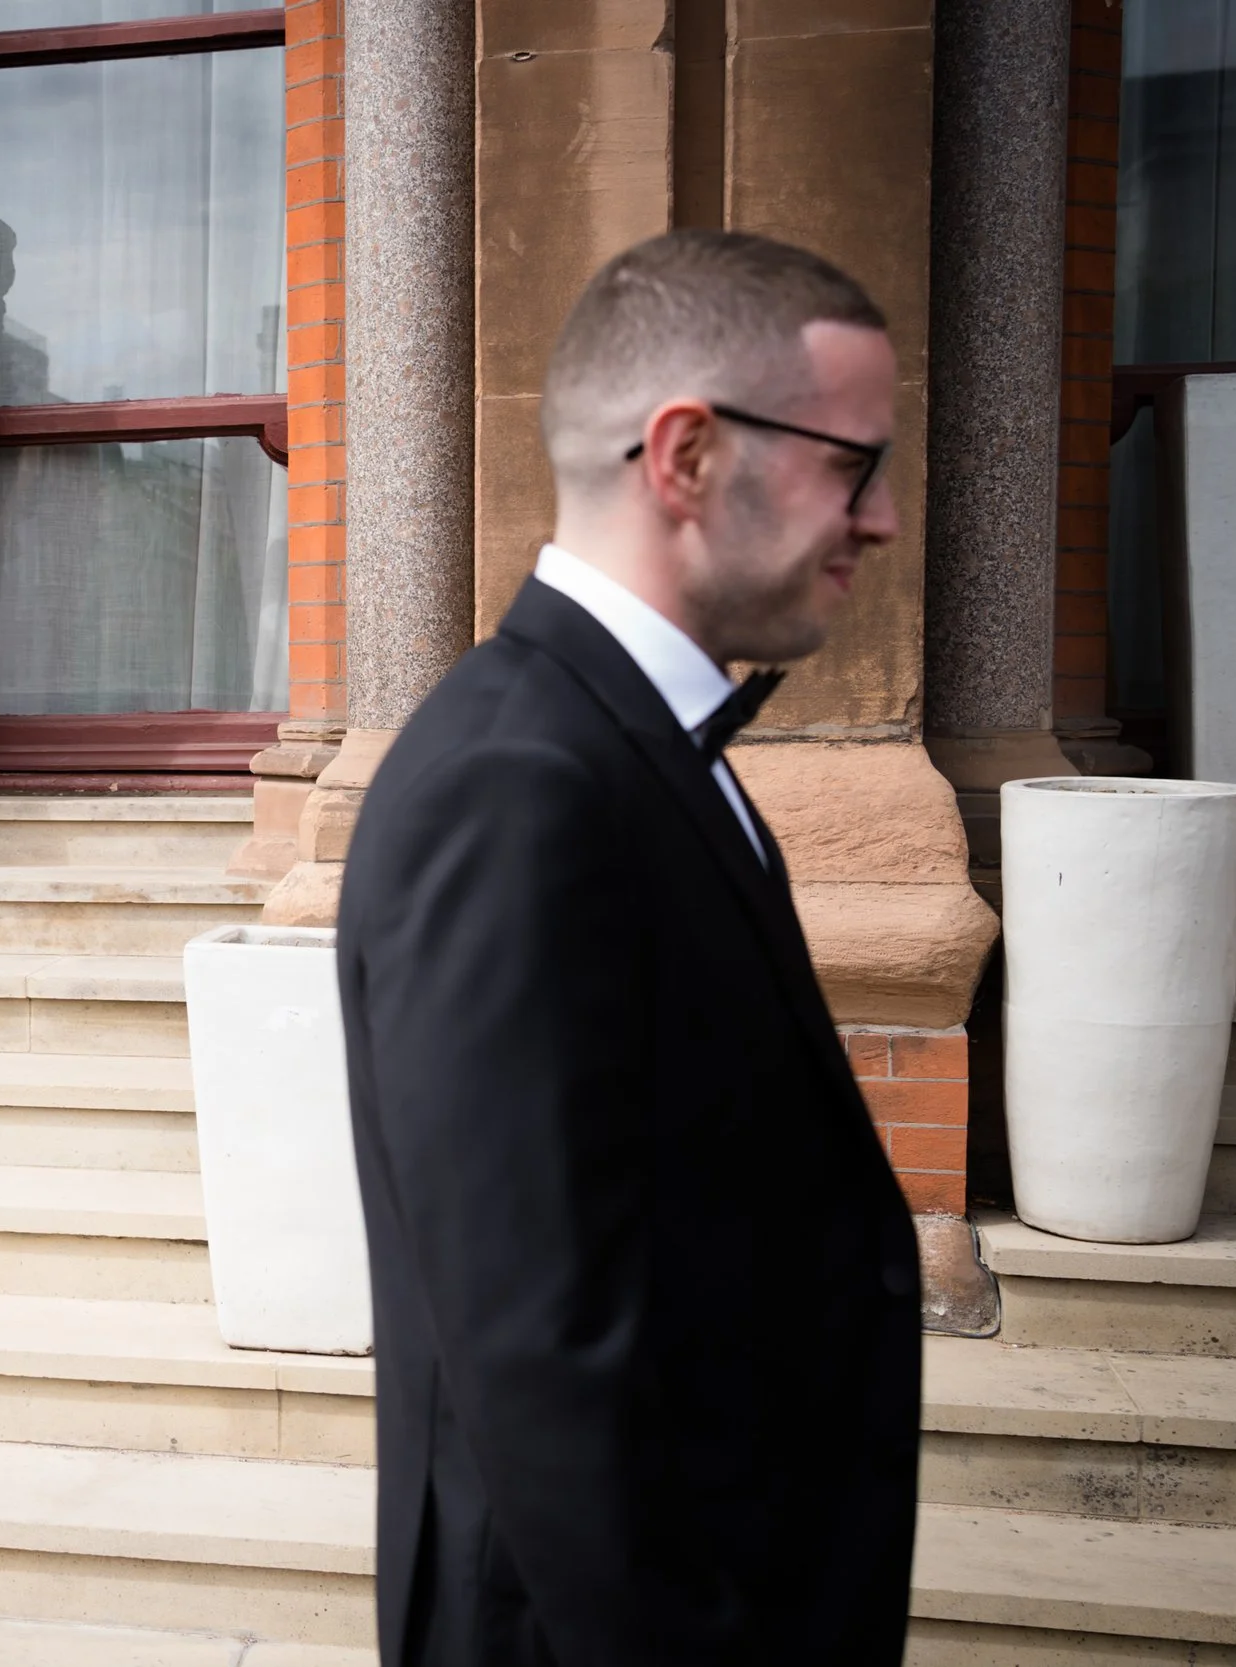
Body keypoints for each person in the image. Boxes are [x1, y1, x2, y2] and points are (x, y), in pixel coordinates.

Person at [337, 230, 920, 1665]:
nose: (885, 518)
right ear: (687, 456)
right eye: (853, 465)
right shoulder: (514, 782)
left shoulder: (618, 739)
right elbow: (544, 1360)